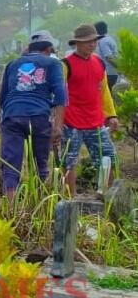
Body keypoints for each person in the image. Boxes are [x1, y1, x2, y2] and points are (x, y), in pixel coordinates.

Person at [0, 32, 67, 202]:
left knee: (10, 165)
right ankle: (39, 206)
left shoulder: (13, 64)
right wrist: (58, 127)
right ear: (49, 48)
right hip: (39, 116)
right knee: (40, 165)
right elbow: (60, 95)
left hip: (12, 114)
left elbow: (3, 98)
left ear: (29, 48)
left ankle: (10, 209)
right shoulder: (53, 63)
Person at [61, 24, 118, 196]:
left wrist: (111, 115)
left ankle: (105, 195)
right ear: (77, 43)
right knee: (69, 162)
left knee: (108, 158)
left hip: (96, 122)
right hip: (72, 123)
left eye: (94, 41)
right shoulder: (65, 65)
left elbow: (104, 90)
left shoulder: (99, 62)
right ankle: (71, 198)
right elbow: (59, 95)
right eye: (87, 41)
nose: (92, 44)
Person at [94, 21, 119, 90]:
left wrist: (120, 68)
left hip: (108, 73)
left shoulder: (103, 41)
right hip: (110, 72)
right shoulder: (108, 39)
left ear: (96, 30)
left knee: (107, 93)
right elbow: (110, 56)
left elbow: (109, 57)